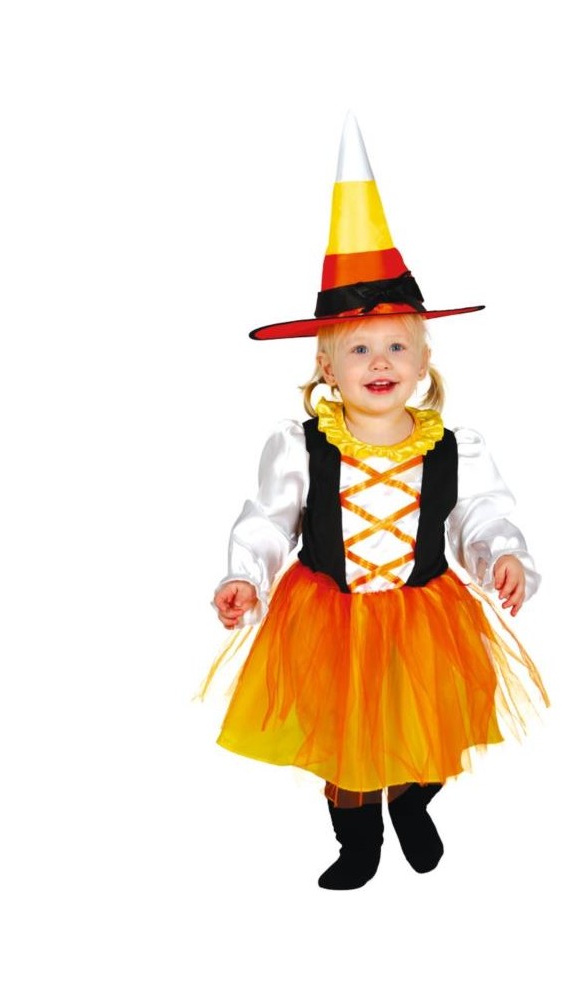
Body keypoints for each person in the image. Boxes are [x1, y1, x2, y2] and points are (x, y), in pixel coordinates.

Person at [205, 114, 549, 890]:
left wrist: (502, 557)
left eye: (396, 344)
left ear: (423, 360)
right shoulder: (300, 445)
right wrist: (244, 579)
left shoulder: (455, 447)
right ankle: (356, 841)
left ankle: (413, 803)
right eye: (357, 348)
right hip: (330, 617)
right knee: (344, 738)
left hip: (425, 614)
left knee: (429, 725)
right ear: (327, 366)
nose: (378, 360)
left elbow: (479, 516)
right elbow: (268, 521)